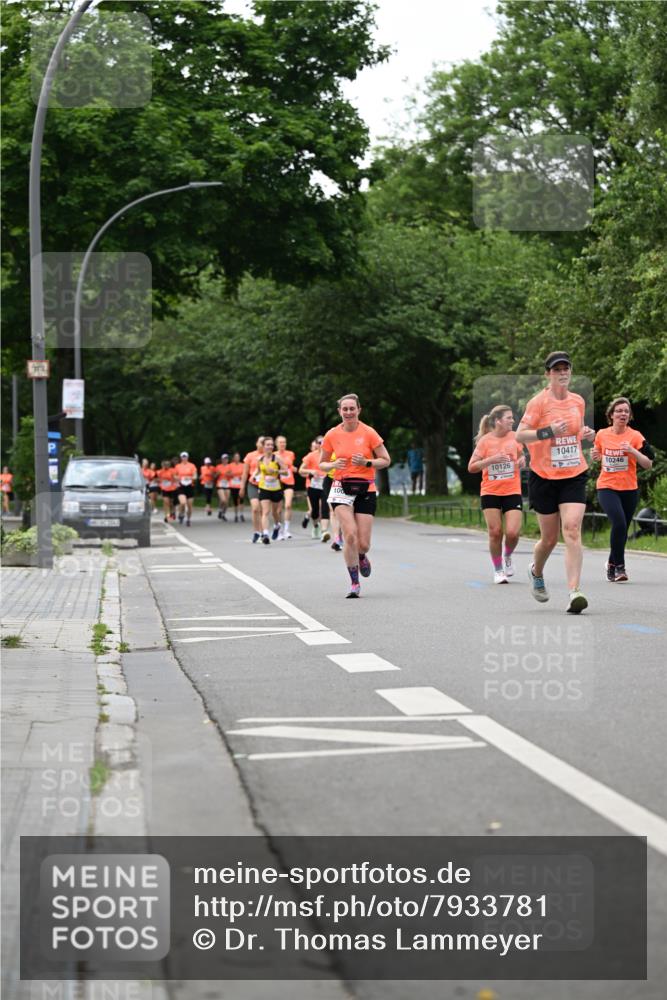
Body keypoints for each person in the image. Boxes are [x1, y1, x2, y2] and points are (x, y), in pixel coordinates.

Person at [516, 351, 595, 614]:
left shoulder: (578, 401)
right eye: (557, 369)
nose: (562, 373)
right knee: (549, 539)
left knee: (571, 529)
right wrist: (548, 432)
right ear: (548, 374)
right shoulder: (538, 403)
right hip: (544, 476)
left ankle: (574, 591)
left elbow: (576, 432)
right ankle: (536, 571)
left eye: (566, 368)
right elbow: (520, 435)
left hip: (573, 472)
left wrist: (585, 434)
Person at [320, 393, 391, 598]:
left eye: (352, 408)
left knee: (363, 543)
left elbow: (385, 460)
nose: (349, 412)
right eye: (345, 409)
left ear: (359, 410)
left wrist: (367, 463)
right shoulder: (332, 434)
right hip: (340, 487)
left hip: (365, 488)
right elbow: (322, 463)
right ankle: (354, 583)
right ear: (339, 411)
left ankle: (361, 555)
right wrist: (332, 465)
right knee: (349, 534)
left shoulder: (369, 433)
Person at [592, 397, 654, 582]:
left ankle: (611, 564)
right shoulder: (602, 434)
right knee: (618, 523)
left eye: (626, 411)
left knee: (622, 529)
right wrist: (596, 456)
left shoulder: (635, 436)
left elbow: (649, 463)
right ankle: (620, 567)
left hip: (629, 489)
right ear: (611, 415)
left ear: (630, 416)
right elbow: (598, 456)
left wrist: (633, 451)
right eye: (619, 411)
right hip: (607, 486)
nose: (623, 414)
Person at [468, 406, 525, 583]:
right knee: (495, 532)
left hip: (512, 490)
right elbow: (471, 467)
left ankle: (507, 556)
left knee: (513, 533)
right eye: (509, 418)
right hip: (490, 491)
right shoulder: (485, 441)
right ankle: (498, 569)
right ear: (498, 421)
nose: (512, 421)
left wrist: (523, 460)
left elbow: (521, 455)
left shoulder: (516, 437)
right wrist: (490, 460)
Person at [256, 437, 288, 544]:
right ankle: (265, 534)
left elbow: (286, 472)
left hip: (276, 488)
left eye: (271, 445)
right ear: (263, 446)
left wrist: (275, 471)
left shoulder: (277, 458)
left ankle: (277, 525)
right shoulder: (260, 459)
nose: (270, 447)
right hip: (264, 487)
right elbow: (258, 471)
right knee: (265, 511)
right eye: (267, 445)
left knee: (275, 512)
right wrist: (254, 477)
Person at [299, 440, 326, 540]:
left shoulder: (331, 455)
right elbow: (301, 470)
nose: (321, 444)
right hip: (312, 485)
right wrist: (311, 471)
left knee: (323, 508)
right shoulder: (311, 456)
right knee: (314, 509)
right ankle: (315, 525)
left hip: (325, 485)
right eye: (320, 442)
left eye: (324, 442)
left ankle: (323, 530)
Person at [240, 436, 265, 543]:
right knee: (255, 508)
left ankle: (264, 532)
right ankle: (256, 532)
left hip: (265, 485)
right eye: (261, 442)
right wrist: (242, 487)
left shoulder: (270, 455)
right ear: (256, 444)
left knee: (263, 510)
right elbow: (245, 473)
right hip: (253, 484)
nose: (263, 444)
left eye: (265, 442)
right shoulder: (250, 456)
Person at [275, 435, 296, 539]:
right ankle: (279, 530)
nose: (282, 444)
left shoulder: (290, 454)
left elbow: (290, 466)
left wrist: (294, 468)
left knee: (288, 505)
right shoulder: (273, 455)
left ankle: (287, 530)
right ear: (276, 444)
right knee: (278, 509)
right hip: (277, 483)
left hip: (289, 481)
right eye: (280, 442)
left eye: (284, 442)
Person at [173, 451, 198, 526]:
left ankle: (188, 519)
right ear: (181, 458)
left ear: (188, 457)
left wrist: (190, 477)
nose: (184, 458)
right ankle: (181, 514)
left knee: (190, 505)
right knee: (183, 502)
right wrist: (180, 478)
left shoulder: (192, 465)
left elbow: (195, 476)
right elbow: (174, 476)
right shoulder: (177, 466)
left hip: (190, 486)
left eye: (185, 457)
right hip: (181, 486)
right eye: (183, 457)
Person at [226, 452, 245, 522]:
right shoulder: (230, 465)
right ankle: (236, 515)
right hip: (233, 484)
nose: (237, 458)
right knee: (235, 501)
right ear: (234, 458)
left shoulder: (243, 465)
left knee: (241, 500)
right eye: (235, 457)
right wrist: (232, 474)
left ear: (239, 458)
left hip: (240, 484)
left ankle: (241, 514)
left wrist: (241, 477)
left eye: (238, 457)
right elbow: (227, 473)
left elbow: (245, 474)